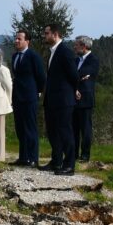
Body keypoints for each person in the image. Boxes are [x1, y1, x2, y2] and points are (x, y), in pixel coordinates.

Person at [42, 23, 80, 175]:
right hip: (52, 99)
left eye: (46, 33)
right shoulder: (53, 51)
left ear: (55, 34)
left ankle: (69, 165)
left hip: (63, 100)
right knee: (52, 131)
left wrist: (70, 91)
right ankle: (56, 161)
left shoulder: (64, 51)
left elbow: (74, 76)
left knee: (65, 131)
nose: (44, 36)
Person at [9, 29, 45, 167]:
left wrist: (38, 92)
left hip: (30, 97)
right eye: (16, 38)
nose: (16, 41)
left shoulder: (33, 56)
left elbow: (41, 77)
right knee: (20, 128)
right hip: (17, 97)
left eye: (19, 39)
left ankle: (33, 158)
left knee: (30, 128)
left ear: (27, 41)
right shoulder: (15, 56)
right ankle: (23, 157)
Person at [71, 35, 100, 162]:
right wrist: (77, 81)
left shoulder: (93, 60)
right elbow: (72, 75)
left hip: (86, 99)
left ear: (83, 46)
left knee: (86, 129)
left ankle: (85, 155)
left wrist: (76, 77)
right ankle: (73, 153)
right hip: (73, 98)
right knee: (73, 129)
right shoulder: (76, 60)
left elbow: (83, 74)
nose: (74, 47)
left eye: (76, 45)